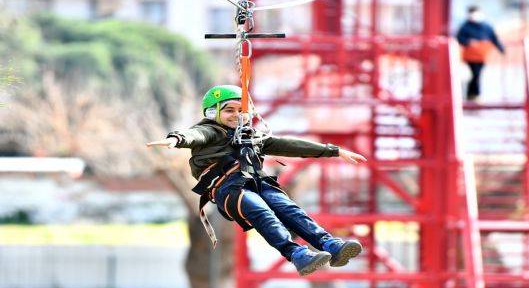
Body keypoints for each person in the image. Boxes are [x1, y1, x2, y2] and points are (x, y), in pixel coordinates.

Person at [147, 85, 366, 276]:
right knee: (263, 213)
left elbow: (288, 145)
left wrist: (333, 151)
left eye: (242, 111)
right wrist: (176, 139)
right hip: (229, 190)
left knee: (290, 210)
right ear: (213, 113)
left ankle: (329, 244)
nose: (237, 115)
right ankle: (296, 254)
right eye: (229, 110)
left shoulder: (252, 136)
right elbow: (196, 135)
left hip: (258, 184)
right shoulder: (210, 131)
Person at [456, 5, 505, 101]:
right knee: (474, 75)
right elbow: (459, 38)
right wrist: (468, 42)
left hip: (482, 56)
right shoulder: (465, 26)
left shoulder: (487, 26)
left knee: (476, 75)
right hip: (469, 57)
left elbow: (494, 38)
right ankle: (474, 94)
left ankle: (473, 94)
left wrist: (501, 49)